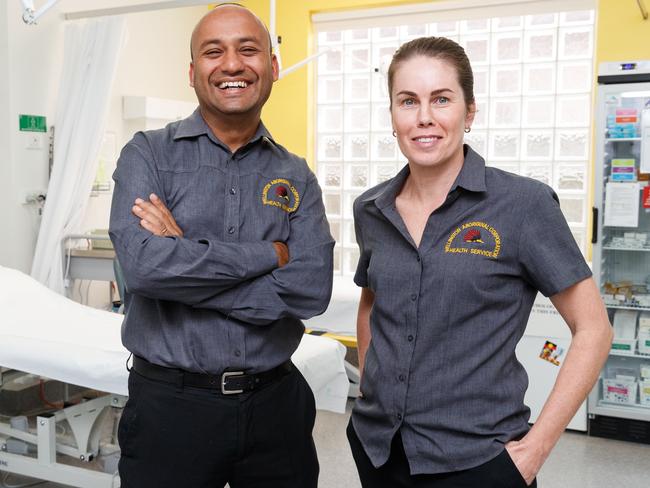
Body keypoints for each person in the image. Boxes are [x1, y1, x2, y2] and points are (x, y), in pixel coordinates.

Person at [347, 36, 612, 488]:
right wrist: (373, 393)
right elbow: (373, 303)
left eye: (441, 99)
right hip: (379, 448)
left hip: (478, 460)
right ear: (392, 115)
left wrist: (534, 451)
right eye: (408, 101)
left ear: (469, 112)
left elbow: (594, 328)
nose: (424, 117)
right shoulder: (371, 208)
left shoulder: (522, 205)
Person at [108, 4, 333, 488]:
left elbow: (311, 290)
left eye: (248, 49)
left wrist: (184, 257)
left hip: (277, 406)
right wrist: (268, 255)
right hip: (172, 408)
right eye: (214, 52)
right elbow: (146, 271)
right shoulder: (146, 154)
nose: (232, 64)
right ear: (193, 73)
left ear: (272, 67)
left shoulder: (296, 175)